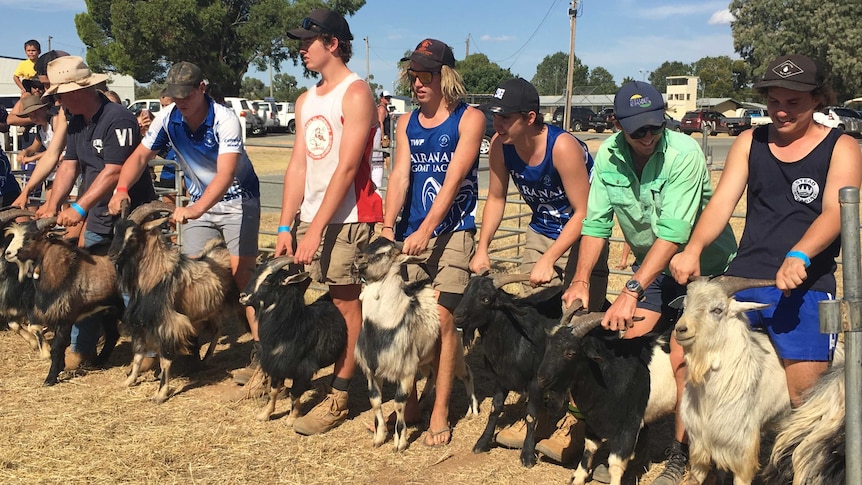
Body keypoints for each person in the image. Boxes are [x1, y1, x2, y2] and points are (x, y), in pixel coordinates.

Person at [561, 81, 738, 485]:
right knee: (624, 344)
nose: (647, 137)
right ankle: (627, 437)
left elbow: (674, 233)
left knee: (683, 358)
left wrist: (629, 292)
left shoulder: (683, 153)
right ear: (618, 125)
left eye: (654, 127)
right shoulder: (607, 155)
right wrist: (582, 279)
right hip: (652, 268)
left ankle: (682, 454)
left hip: (703, 269)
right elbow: (596, 223)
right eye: (637, 130)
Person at [670, 54, 862, 409]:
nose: (782, 111)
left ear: (818, 99)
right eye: (774, 101)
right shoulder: (749, 142)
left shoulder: (842, 146)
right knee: (703, 375)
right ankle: (692, 454)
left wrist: (799, 254)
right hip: (741, 283)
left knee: (804, 400)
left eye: (794, 103)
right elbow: (721, 204)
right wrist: (693, 247)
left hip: (804, 287)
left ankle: (796, 464)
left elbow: (835, 212)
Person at [469, 77, 609, 462]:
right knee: (537, 331)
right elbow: (496, 198)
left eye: (505, 117)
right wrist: (483, 248)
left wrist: (552, 259)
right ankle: (543, 414)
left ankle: (576, 424)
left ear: (530, 118)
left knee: (574, 334)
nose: (495, 124)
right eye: (493, 116)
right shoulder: (502, 145)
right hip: (541, 232)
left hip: (582, 236)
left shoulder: (561, 147)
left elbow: (584, 213)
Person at [107, 61, 262, 379]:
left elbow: (226, 173)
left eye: (186, 95)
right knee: (187, 278)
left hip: (238, 203)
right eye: (174, 96)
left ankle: (262, 355)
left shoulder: (225, 119)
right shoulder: (167, 118)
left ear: (202, 88)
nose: (180, 102)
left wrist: (195, 209)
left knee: (244, 280)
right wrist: (121, 187)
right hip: (199, 206)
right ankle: (187, 352)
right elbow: (139, 156)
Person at [273, 9, 382, 435]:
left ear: (332, 43)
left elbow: (347, 167)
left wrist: (316, 228)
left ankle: (340, 393)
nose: (302, 48)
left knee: (344, 302)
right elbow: (298, 165)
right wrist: (286, 224)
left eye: (309, 41)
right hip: (314, 218)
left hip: (349, 217)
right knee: (317, 300)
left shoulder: (356, 94)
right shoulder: (306, 100)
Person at [382, 38, 484, 447]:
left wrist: (428, 230)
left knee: (443, 320)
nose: (418, 83)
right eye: (414, 75)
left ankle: (440, 407)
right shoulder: (405, 123)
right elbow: (400, 176)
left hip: (454, 231)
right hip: (409, 235)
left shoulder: (468, 118)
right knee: (404, 318)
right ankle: (407, 401)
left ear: (445, 76)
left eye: (426, 75)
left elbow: (455, 177)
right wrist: (389, 227)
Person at [41, 56, 156, 368]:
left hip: (129, 217)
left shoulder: (117, 118)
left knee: (133, 282)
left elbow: (115, 171)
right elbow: (69, 164)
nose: (56, 100)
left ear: (79, 90)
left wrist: (79, 206)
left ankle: (148, 350)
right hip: (98, 215)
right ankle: (81, 349)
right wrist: (53, 202)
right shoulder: (77, 119)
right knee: (83, 282)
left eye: (59, 94)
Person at [11, 50, 70, 211]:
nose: (34, 117)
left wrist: (32, 159)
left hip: (70, 172)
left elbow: (57, 151)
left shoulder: (57, 120)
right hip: (57, 173)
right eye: (30, 115)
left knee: (64, 209)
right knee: (51, 212)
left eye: (35, 112)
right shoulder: (43, 127)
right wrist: (26, 152)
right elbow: (44, 150)